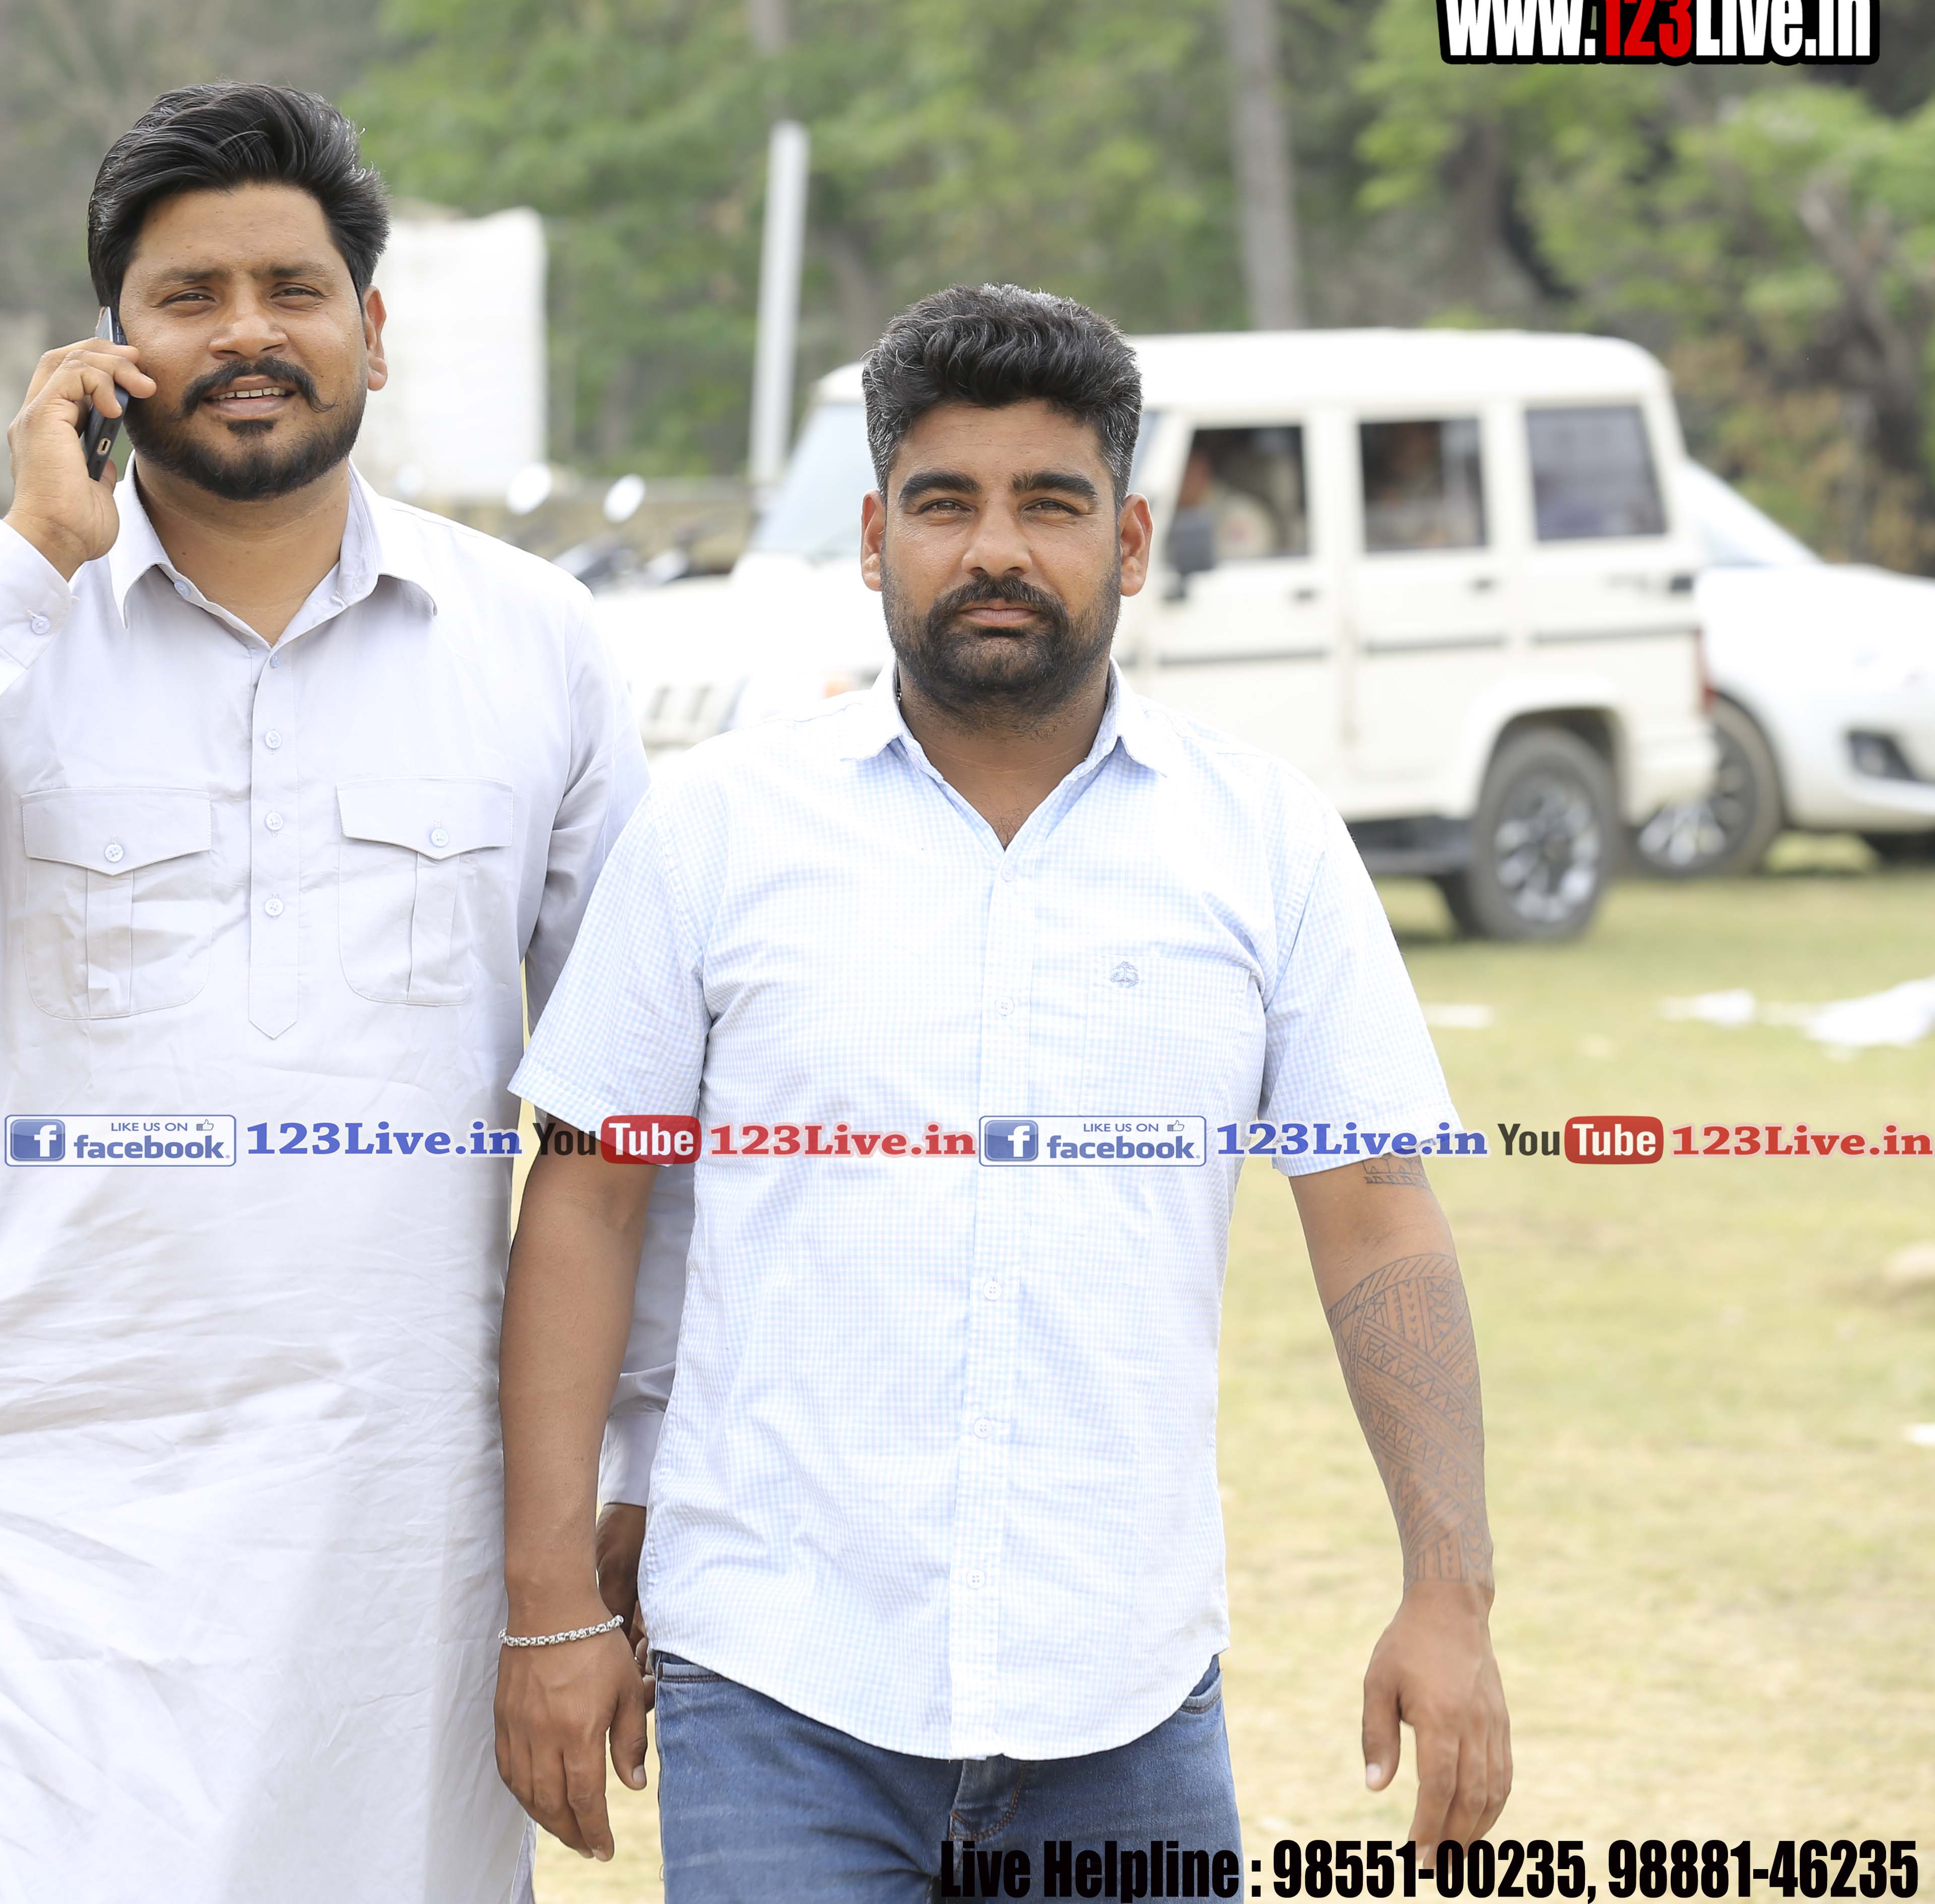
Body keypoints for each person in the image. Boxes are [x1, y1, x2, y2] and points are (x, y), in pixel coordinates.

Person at [0, 82, 683, 1902]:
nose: (247, 332)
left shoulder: (529, 638)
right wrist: (29, 565)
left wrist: (630, 1461)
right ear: (107, 347)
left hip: (391, 1524)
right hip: (26, 1507)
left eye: (292, 289)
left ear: (372, 329)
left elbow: (627, 1110)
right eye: (188, 296)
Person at [492, 283, 1511, 1899]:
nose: (996, 550)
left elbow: (1379, 1221)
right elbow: (588, 1207)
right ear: (874, 536)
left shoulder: (1265, 842)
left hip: (1129, 1698)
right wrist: (550, 1599)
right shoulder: (715, 831)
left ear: (1132, 539)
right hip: (778, 1683)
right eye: (946, 504)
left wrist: (1448, 1592)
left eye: (1051, 502)